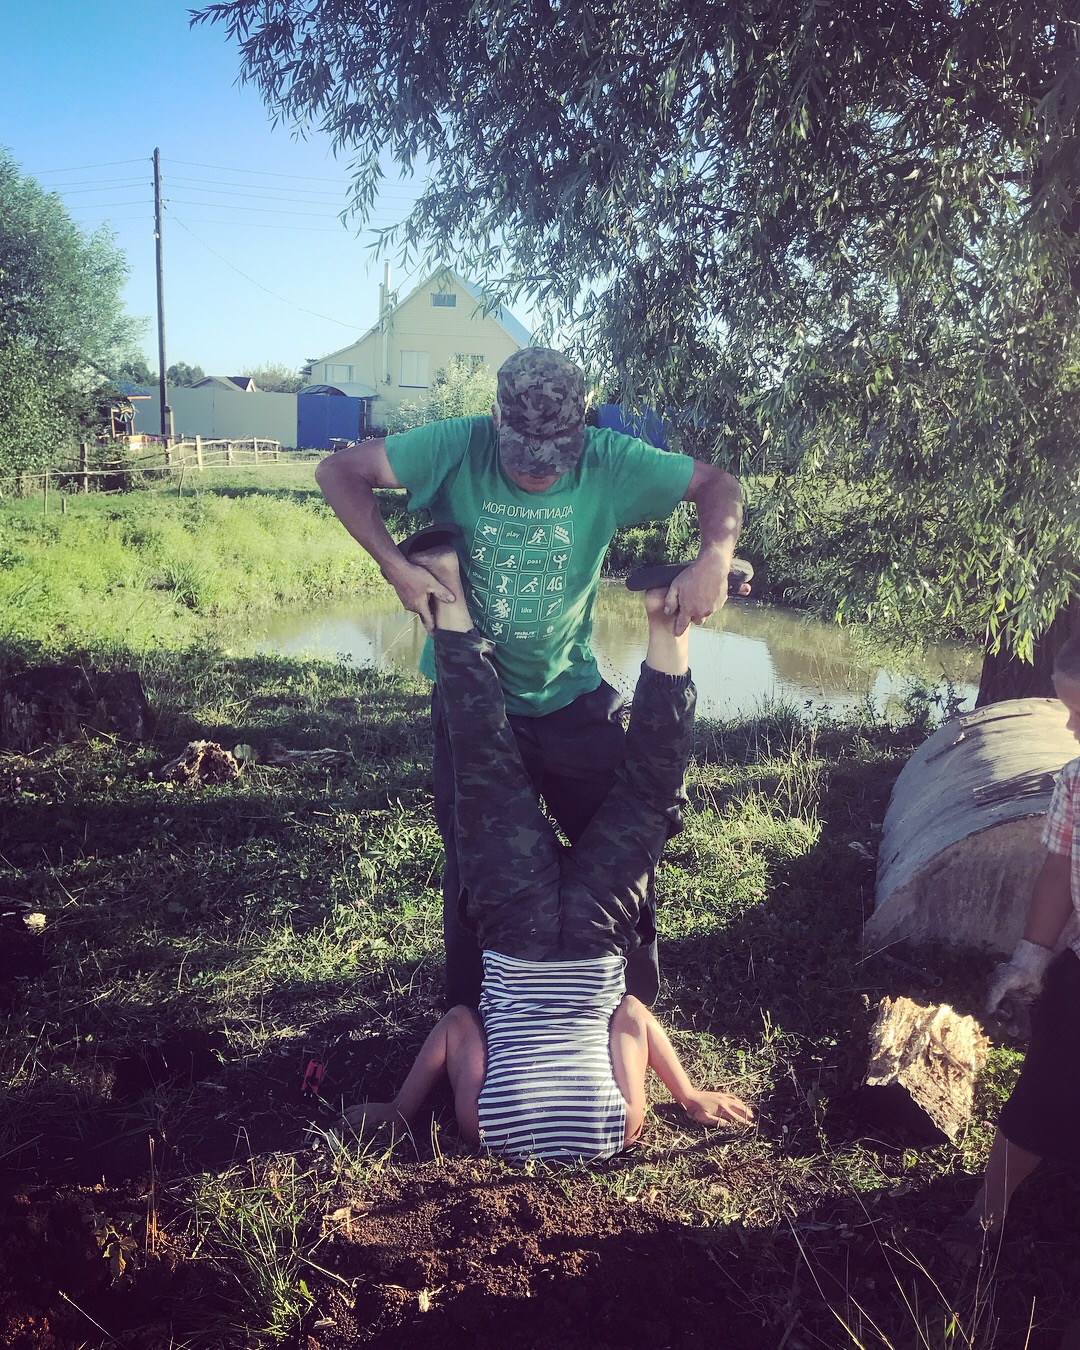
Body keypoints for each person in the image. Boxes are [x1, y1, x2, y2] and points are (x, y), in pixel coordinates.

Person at [315, 347, 745, 1008]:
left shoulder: (611, 458)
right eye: (523, 460)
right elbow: (338, 470)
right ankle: (474, 1019)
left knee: (630, 848)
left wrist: (715, 555)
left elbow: (718, 484)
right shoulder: (456, 444)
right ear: (496, 421)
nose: (540, 474)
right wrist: (393, 565)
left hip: (571, 695)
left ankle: (630, 1013)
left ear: (582, 430)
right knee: (475, 866)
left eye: (555, 460)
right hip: (473, 698)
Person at [345, 542, 752, 1158]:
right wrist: (403, 1110)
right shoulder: (483, 1126)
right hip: (515, 926)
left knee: (650, 797)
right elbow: (459, 1027)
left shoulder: (620, 1126)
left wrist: (688, 1094)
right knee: (485, 769)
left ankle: (666, 618)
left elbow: (630, 1018)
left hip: (596, 931)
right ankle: (448, 592)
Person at [943, 634, 1080, 1263]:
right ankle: (987, 1210)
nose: (1072, 728)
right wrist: (1032, 956)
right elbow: (1056, 872)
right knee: (1046, 1087)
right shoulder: (1075, 780)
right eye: (1068, 710)